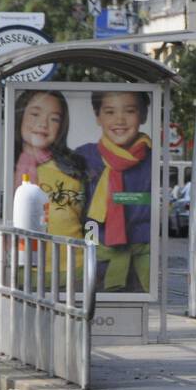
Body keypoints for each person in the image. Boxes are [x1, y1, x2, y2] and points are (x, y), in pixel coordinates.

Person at [77, 90, 152, 292]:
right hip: (94, 254)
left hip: (140, 260)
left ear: (143, 115)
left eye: (129, 111)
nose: (119, 119)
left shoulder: (152, 159)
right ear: (98, 116)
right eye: (109, 112)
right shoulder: (84, 156)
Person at [13, 90, 86, 240]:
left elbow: (91, 218)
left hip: (72, 260)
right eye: (35, 114)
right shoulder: (4, 165)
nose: (43, 124)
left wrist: (93, 254)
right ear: (20, 117)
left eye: (54, 119)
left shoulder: (72, 169)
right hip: (17, 261)